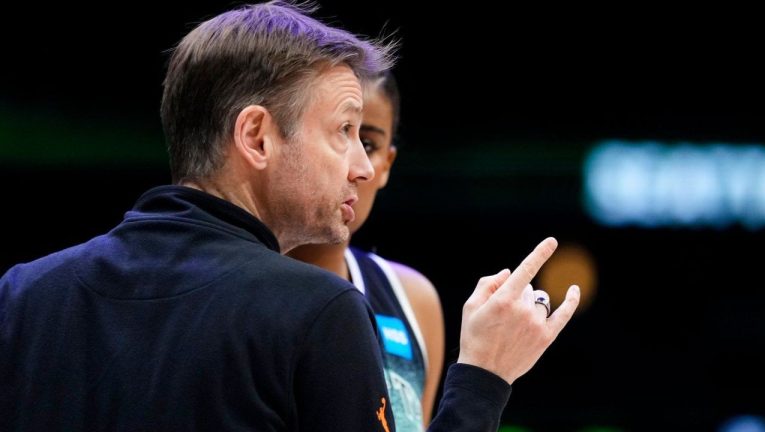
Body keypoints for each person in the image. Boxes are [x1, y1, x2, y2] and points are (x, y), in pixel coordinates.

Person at [0, 2, 581, 431]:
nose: (361, 166)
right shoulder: (319, 310)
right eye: (345, 131)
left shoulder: (22, 294)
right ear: (256, 136)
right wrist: (484, 377)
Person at [288, 71, 445, 431]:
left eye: (369, 144)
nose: (354, 165)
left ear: (387, 164)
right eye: (339, 135)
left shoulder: (413, 298)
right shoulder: (237, 287)